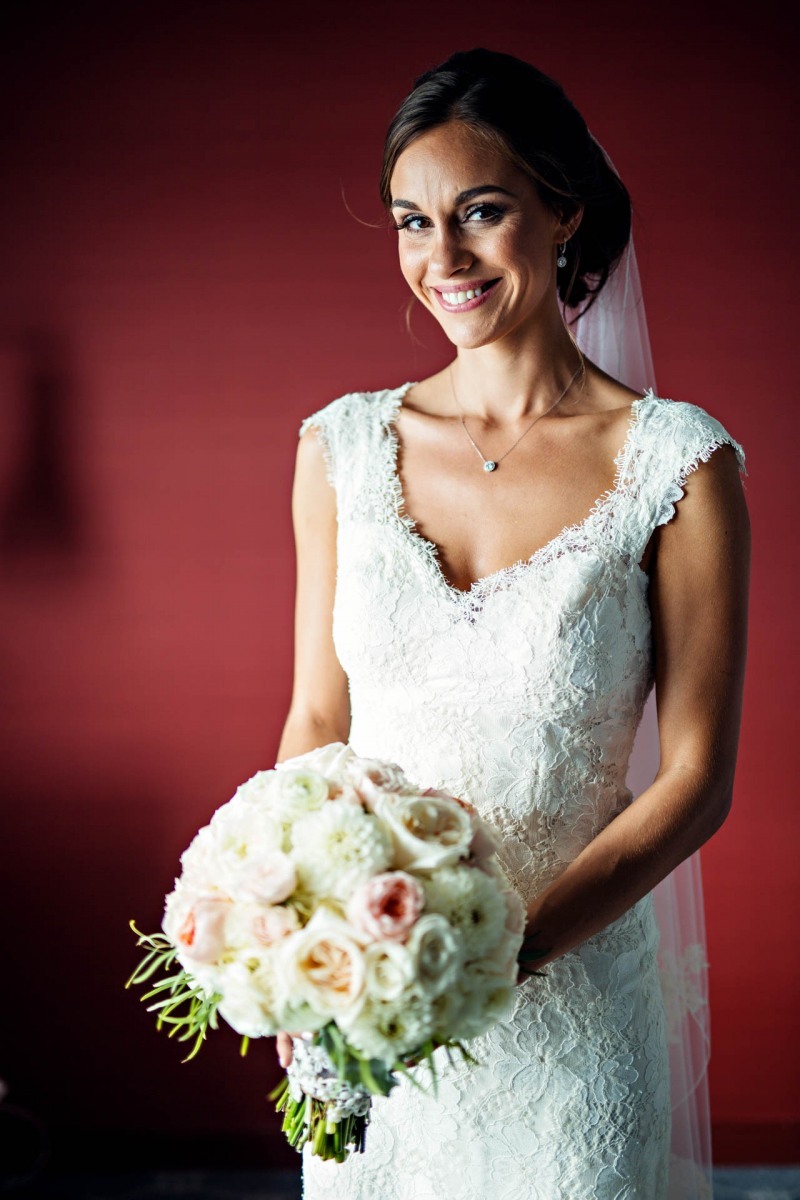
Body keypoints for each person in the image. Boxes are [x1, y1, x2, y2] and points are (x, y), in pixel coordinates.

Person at [276, 48, 750, 1200]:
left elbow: (694, 778)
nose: (441, 257)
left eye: (480, 212)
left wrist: (498, 957)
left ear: (561, 211)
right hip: (373, 998)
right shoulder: (336, 449)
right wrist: (303, 944)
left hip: (573, 1020)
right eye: (409, 221)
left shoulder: (679, 466)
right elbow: (315, 717)